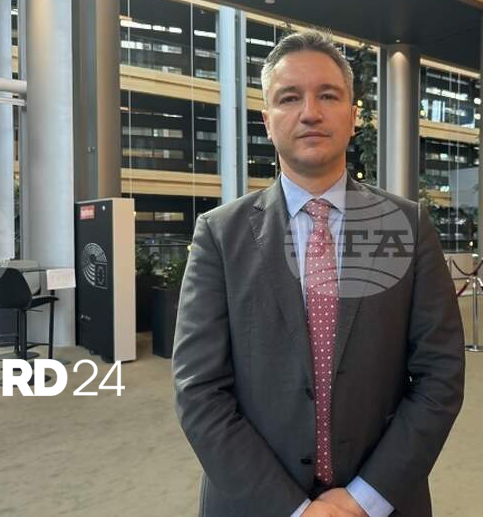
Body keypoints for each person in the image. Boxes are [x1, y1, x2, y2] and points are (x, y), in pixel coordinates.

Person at [173, 29, 465, 517]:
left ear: (353, 117)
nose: (310, 112)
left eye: (328, 95)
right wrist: (295, 509)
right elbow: (199, 391)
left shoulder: (408, 226)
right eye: (289, 97)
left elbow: (441, 374)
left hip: (382, 500)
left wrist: (364, 498)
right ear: (267, 121)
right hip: (255, 502)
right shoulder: (219, 236)